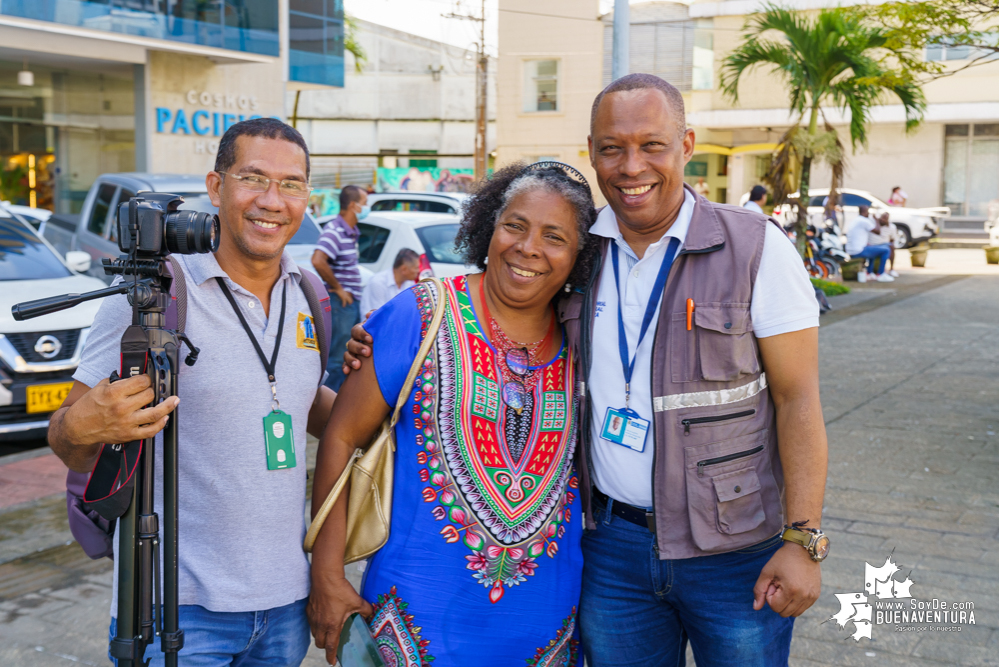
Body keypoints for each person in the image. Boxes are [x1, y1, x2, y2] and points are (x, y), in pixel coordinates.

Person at [346, 74, 830, 667]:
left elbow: (798, 396)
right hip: (611, 549)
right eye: (611, 148)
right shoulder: (581, 250)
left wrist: (803, 539)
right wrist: (383, 340)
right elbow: (502, 311)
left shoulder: (754, 247)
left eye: (652, 145)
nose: (631, 166)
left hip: (730, 552)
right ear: (593, 152)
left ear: (687, 145)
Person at [46, 118, 336, 666]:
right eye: (253, 178)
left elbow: (306, 402)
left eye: (291, 184)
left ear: (306, 196)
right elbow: (67, 437)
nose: (273, 201)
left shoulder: (310, 293)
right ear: (215, 186)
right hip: (173, 610)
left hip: (287, 604)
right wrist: (85, 426)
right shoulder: (155, 292)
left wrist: (389, 390)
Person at [307, 163, 598, 667]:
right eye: (515, 225)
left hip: (543, 627)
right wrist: (327, 577)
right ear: (489, 227)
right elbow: (339, 437)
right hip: (415, 618)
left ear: (578, 256)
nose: (528, 247)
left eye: (555, 236)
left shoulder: (586, 340)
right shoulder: (421, 314)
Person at [312, 185, 369, 390]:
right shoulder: (335, 230)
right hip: (340, 304)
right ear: (353, 206)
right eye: (364, 204)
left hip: (348, 304)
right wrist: (338, 288)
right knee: (336, 358)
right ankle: (329, 407)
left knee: (346, 354)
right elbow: (318, 260)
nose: (367, 208)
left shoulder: (350, 231)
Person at [359, 248, 420, 314]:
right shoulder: (378, 282)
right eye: (416, 268)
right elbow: (379, 315)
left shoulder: (409, 283)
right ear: (404, 269)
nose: (418, 271)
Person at [846, 205, 893, 283]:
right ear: (865, 212)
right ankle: (880, 274)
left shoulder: (856, 220)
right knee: (886, 249)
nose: (869, 214)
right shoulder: (864, 220)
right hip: (858, 251)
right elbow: (878, 231)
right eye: (868, 212)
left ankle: (869, 272)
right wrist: (876, 220)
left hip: (852, 250)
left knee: (872, 249)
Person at [870, 211, 899, 277]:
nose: (883, 220)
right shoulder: (874, 223)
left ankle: (890, 269)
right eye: (882, 218)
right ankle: (877, 272)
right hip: (872, 244)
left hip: (884, 244)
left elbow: (892, 239)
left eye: (885, 219)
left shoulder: (891, 227)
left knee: (890, 247)